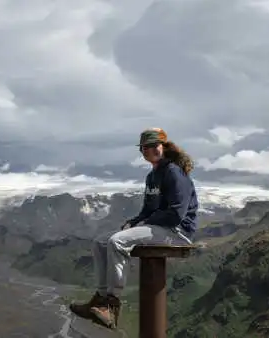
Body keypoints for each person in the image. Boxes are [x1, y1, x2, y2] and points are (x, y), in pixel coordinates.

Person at [69, 127, 199, 329]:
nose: (148, 151)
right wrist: (134, 221)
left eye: (153, 146)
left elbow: (176, 214)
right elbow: (147, 210)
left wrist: (146, 222)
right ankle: (100, 299)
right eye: (144, 148)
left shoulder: (173, 172)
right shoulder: (152, 177)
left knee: (117, 241)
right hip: (159, 228)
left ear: (163, 146)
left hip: (177, 232)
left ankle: (111, 304)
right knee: (100, 242)